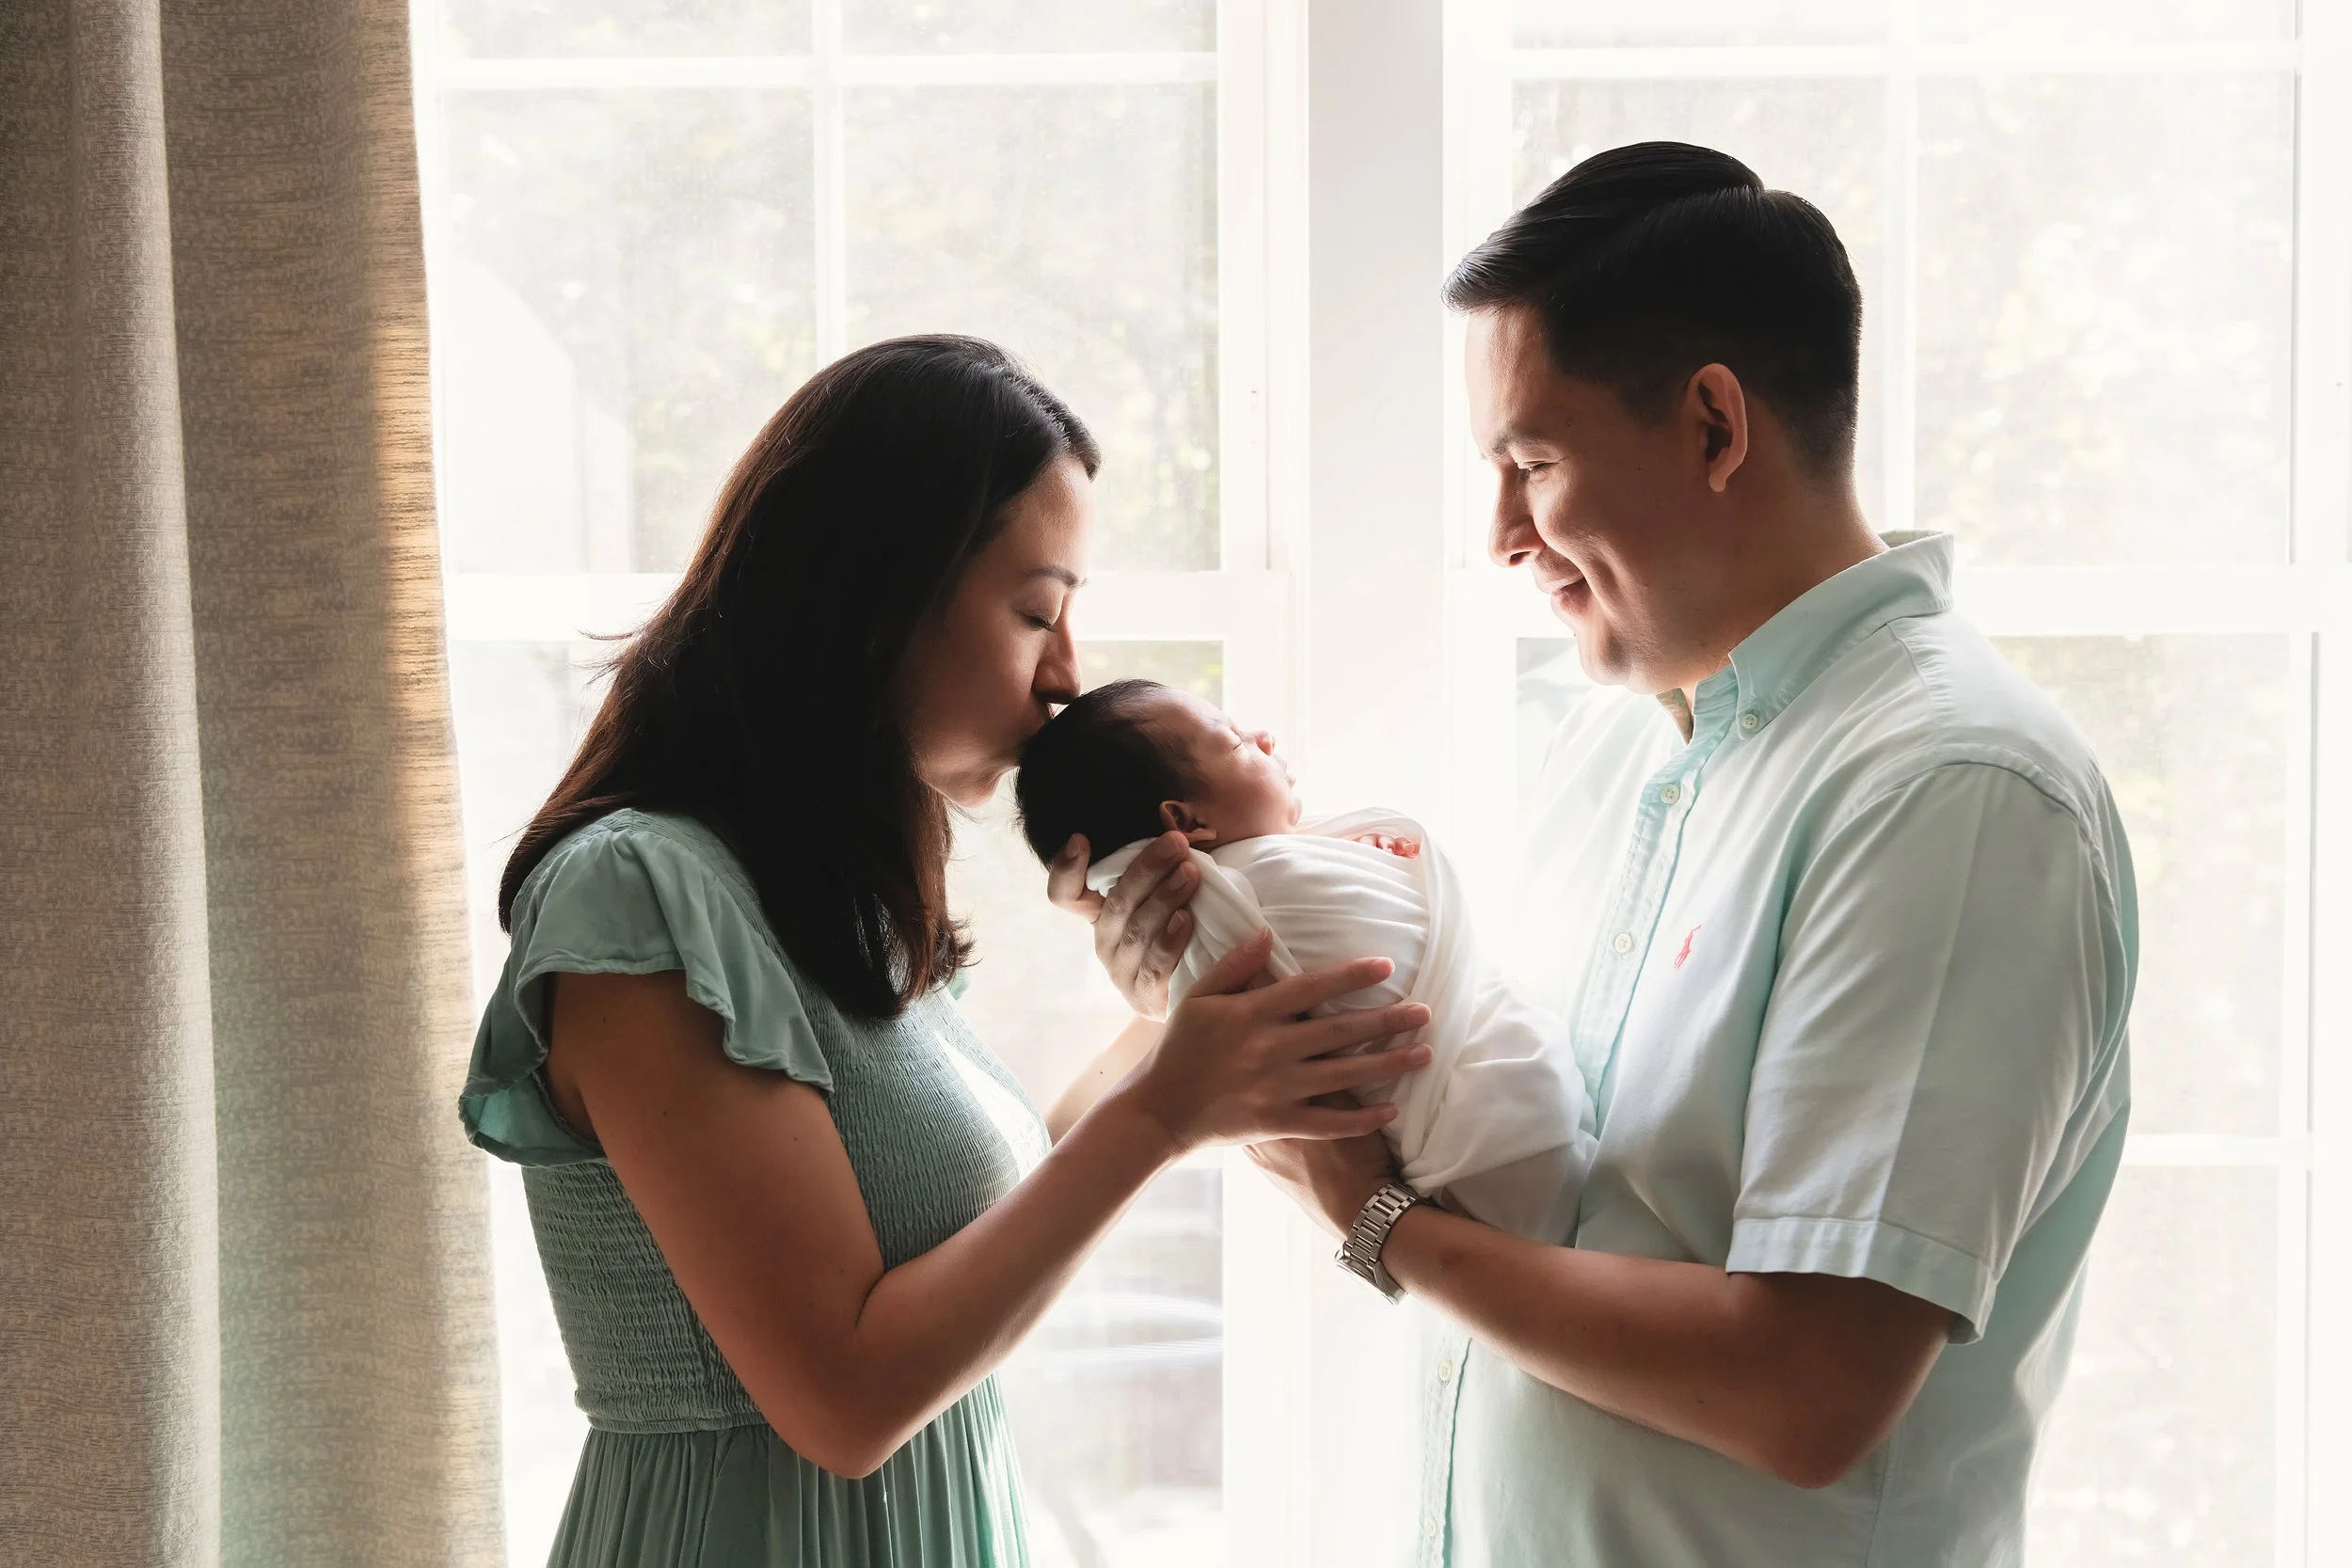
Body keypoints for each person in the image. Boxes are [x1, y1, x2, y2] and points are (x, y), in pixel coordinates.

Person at [1057, 144, 2137, 1565]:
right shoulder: (1625, 752)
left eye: (1532, 463)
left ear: (1712, 426)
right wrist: (1187, 961)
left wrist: (1379, 1219)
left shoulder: (1952, 790)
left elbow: (1806, 1388)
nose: (1504, 535)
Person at [457, 335, 1436, 1567]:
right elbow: (846, 1399)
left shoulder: (833, 910)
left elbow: (1001, 1214)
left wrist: (1167, 983)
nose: (1067, 679)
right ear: (875, 597)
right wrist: (1169, 1107)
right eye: (1039, 610)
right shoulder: (643, 896)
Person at [1013, 677, 1596, 1244]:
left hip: (1492, 1164)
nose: (1264, 737)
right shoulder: (1256, 888)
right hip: (1509, 1127)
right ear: (1185, 821)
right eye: (1236, 740)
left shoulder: (1248, 888)